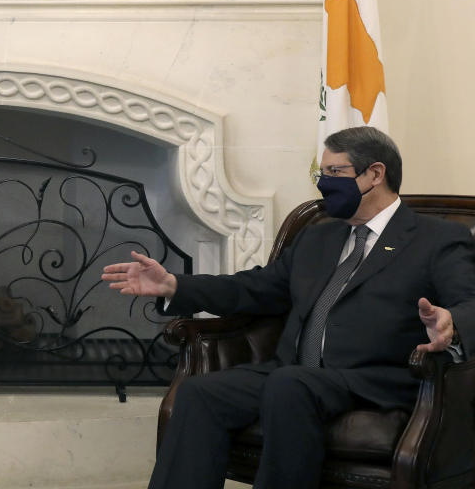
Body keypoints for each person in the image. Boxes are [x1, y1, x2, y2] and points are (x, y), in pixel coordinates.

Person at [101, 126, 475, 489]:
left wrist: (451, 324)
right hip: (297, 372)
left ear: (375, 174)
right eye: (322, 173)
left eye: (335, 172)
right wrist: (175, 285)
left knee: (290, 383)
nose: (324, 183)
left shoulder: (436, 238)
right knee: (201, 393)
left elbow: (470, 302)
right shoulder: (319, 236)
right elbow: (253, 288)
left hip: (376, 377)